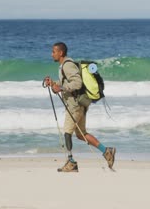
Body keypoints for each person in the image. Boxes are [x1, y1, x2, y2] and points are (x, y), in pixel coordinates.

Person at [44, 42, 116, 172]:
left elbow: (77, 83)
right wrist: (54, 84)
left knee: (67, 133)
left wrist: (60, 88)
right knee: (81, 134)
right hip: (79, 104)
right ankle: (107, 151)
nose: (52, 54)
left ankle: (71, 162)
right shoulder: (64, 66)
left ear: (60, 53)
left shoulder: (67, 65)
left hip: (75, 105)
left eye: (53, 51)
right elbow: (66, 83)